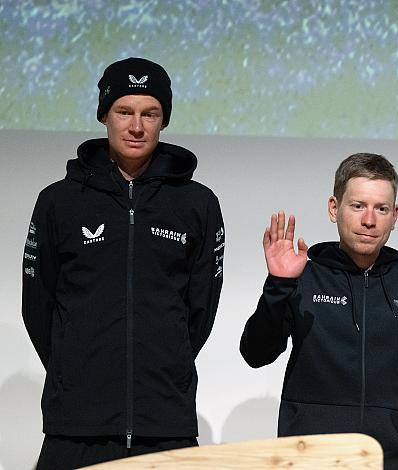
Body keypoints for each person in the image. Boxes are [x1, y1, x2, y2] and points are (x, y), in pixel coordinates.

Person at [22, 57, 225, 469]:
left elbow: (199, 312)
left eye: (150, 114)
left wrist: (165, 360)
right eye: (124, 112)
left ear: (164, 120)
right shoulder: (58, 201)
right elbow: (37, 306)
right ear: (104, 115)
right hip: (75, 427)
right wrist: (75, 366)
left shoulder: (198, 204)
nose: (137, 126)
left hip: (165, 424)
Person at [240, 153, 398, 469]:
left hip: (393, 461)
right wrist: (278, 285)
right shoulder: (302, 279)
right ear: (333, 208)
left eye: (381, 208)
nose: (369, 220)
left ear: (394, 216)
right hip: (310, 460)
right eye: (358, 206)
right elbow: (256, 354)